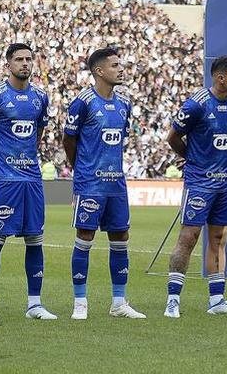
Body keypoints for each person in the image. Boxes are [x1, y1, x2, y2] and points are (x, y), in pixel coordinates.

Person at [0, 42, 57, 321]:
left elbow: (37, 136)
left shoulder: (40, 97)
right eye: (19, 59)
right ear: (8, 64)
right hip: (4, 180)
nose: (25, 63)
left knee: (35, 239)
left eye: (28, 59)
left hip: (31, 179)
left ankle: (35, 304)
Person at [163, 55, 227, 318]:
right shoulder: (196, 104)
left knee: (219, 239)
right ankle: (173, 300)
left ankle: (217, 300)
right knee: (188, 238)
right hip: (199, 182)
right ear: (221, 78)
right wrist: (192, 158)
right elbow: (173, 137)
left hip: (226, 182)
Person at [63, 47, 145, 320]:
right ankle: (80, 303)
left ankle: (119, 303)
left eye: (120, 64)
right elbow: (68, 140)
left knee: (121, 237)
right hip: (90, 183)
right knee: (85, 237)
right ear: (99, 71)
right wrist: (82, 170)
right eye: (115, 65)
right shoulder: (83, 102)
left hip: (116, 184)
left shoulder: (125, 104)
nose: (121, 69)